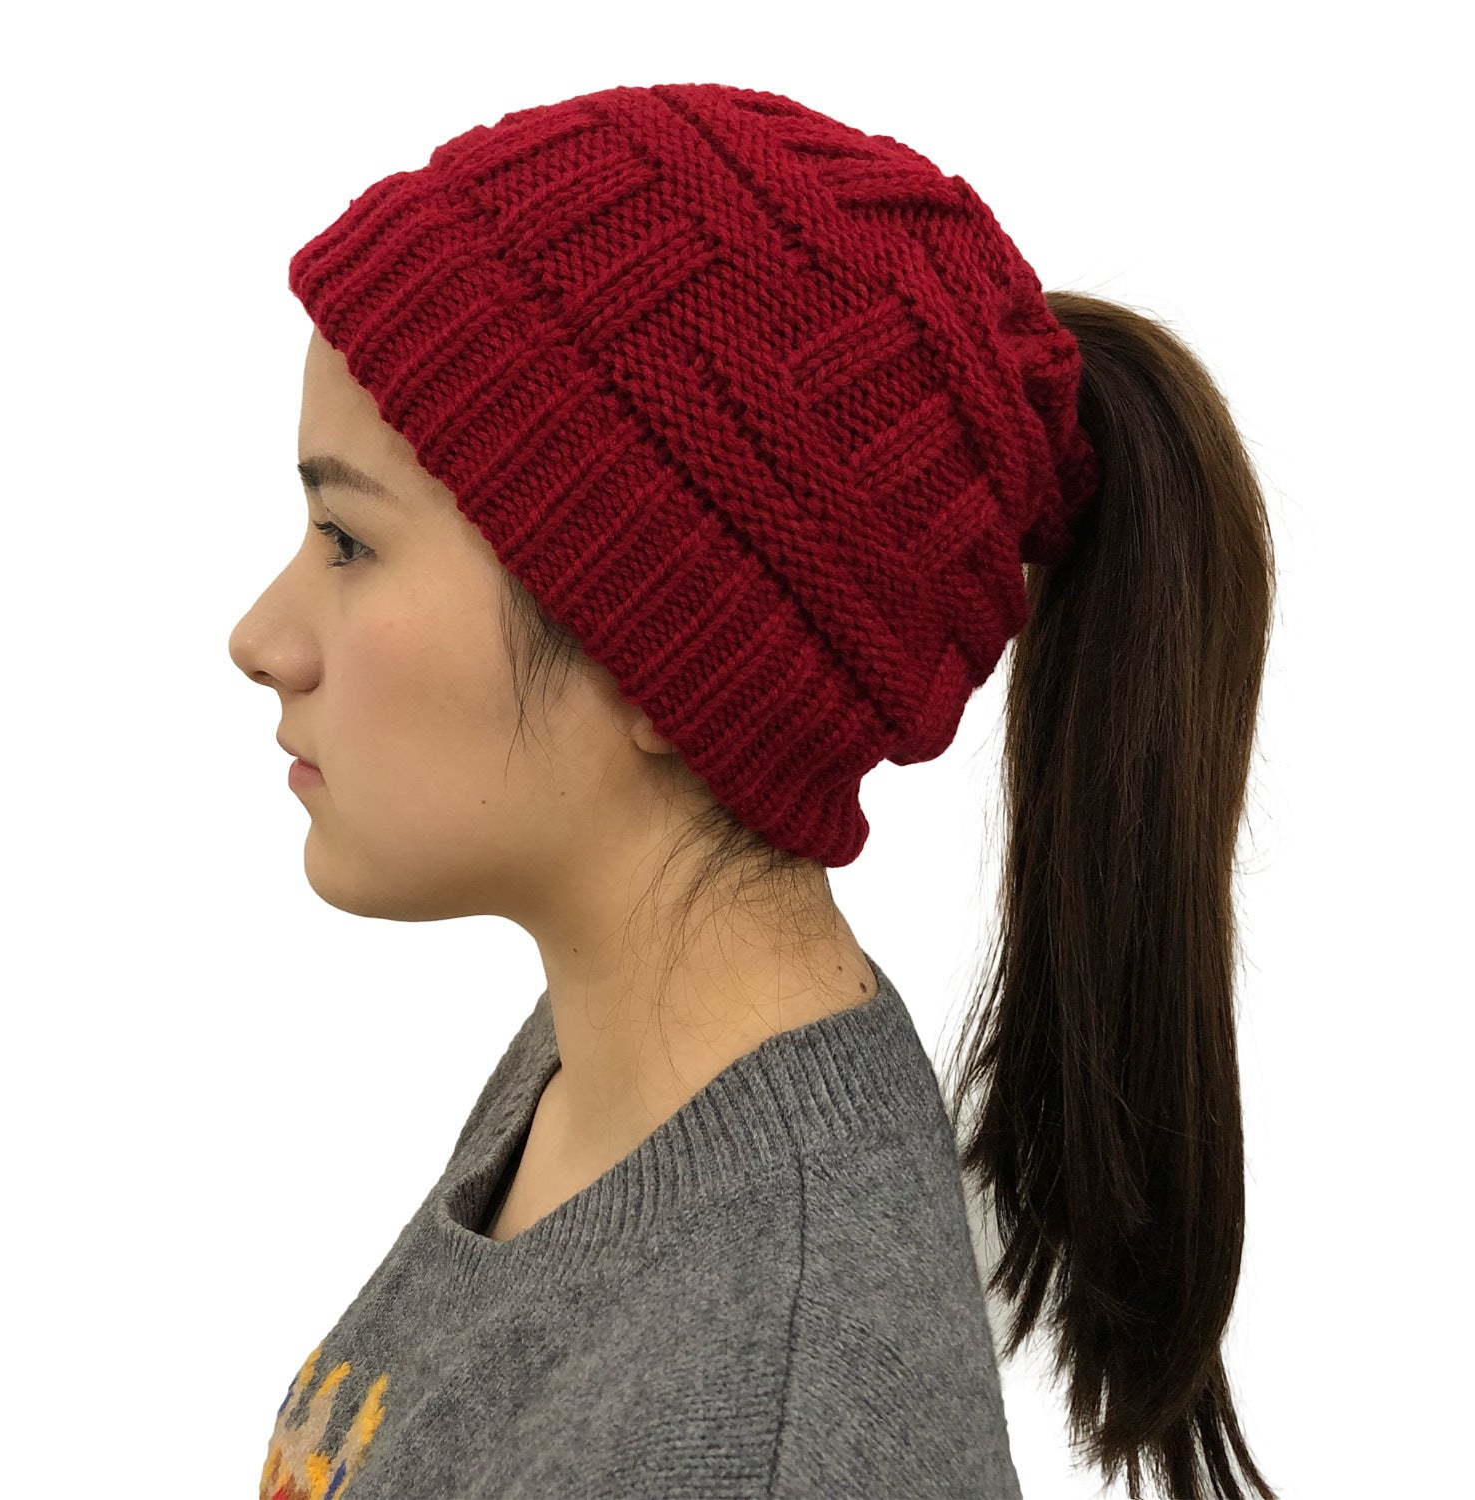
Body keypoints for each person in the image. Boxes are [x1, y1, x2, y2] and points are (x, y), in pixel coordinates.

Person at [230, 81, 1277, 1500]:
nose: (261, 638)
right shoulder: (615, 1071)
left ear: (660, 649)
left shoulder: (763, 1424)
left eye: (349, 541)